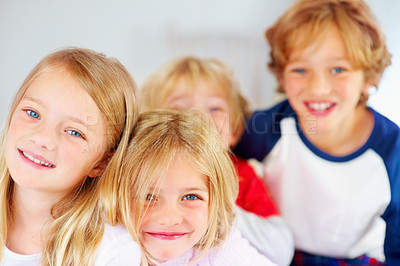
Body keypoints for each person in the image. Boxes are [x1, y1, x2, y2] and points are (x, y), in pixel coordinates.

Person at [234, 0, 400, 265]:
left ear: (369, 77)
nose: (319, 88)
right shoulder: (266, 129)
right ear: (281, 77)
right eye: (300, 69)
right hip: (277, 256)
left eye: (338, 69)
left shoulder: (392, 151)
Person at [141, 56, 294, 265]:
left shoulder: (241, 174)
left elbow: (281, 251)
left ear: (236, 130)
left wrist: (221, 209)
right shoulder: (140, 169)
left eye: (215, 109)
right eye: (179, 110)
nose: (199, 118)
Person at [0, 47, 142, 265]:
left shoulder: (112, 251)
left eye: (74, 132)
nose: (43, 138)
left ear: (103, 161)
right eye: (32, 113)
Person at [118, 109, 276, 265]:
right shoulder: (107, 247)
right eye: (147, 196)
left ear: (216, 201)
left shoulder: (219, 250)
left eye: (191, 197)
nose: (169, 219)